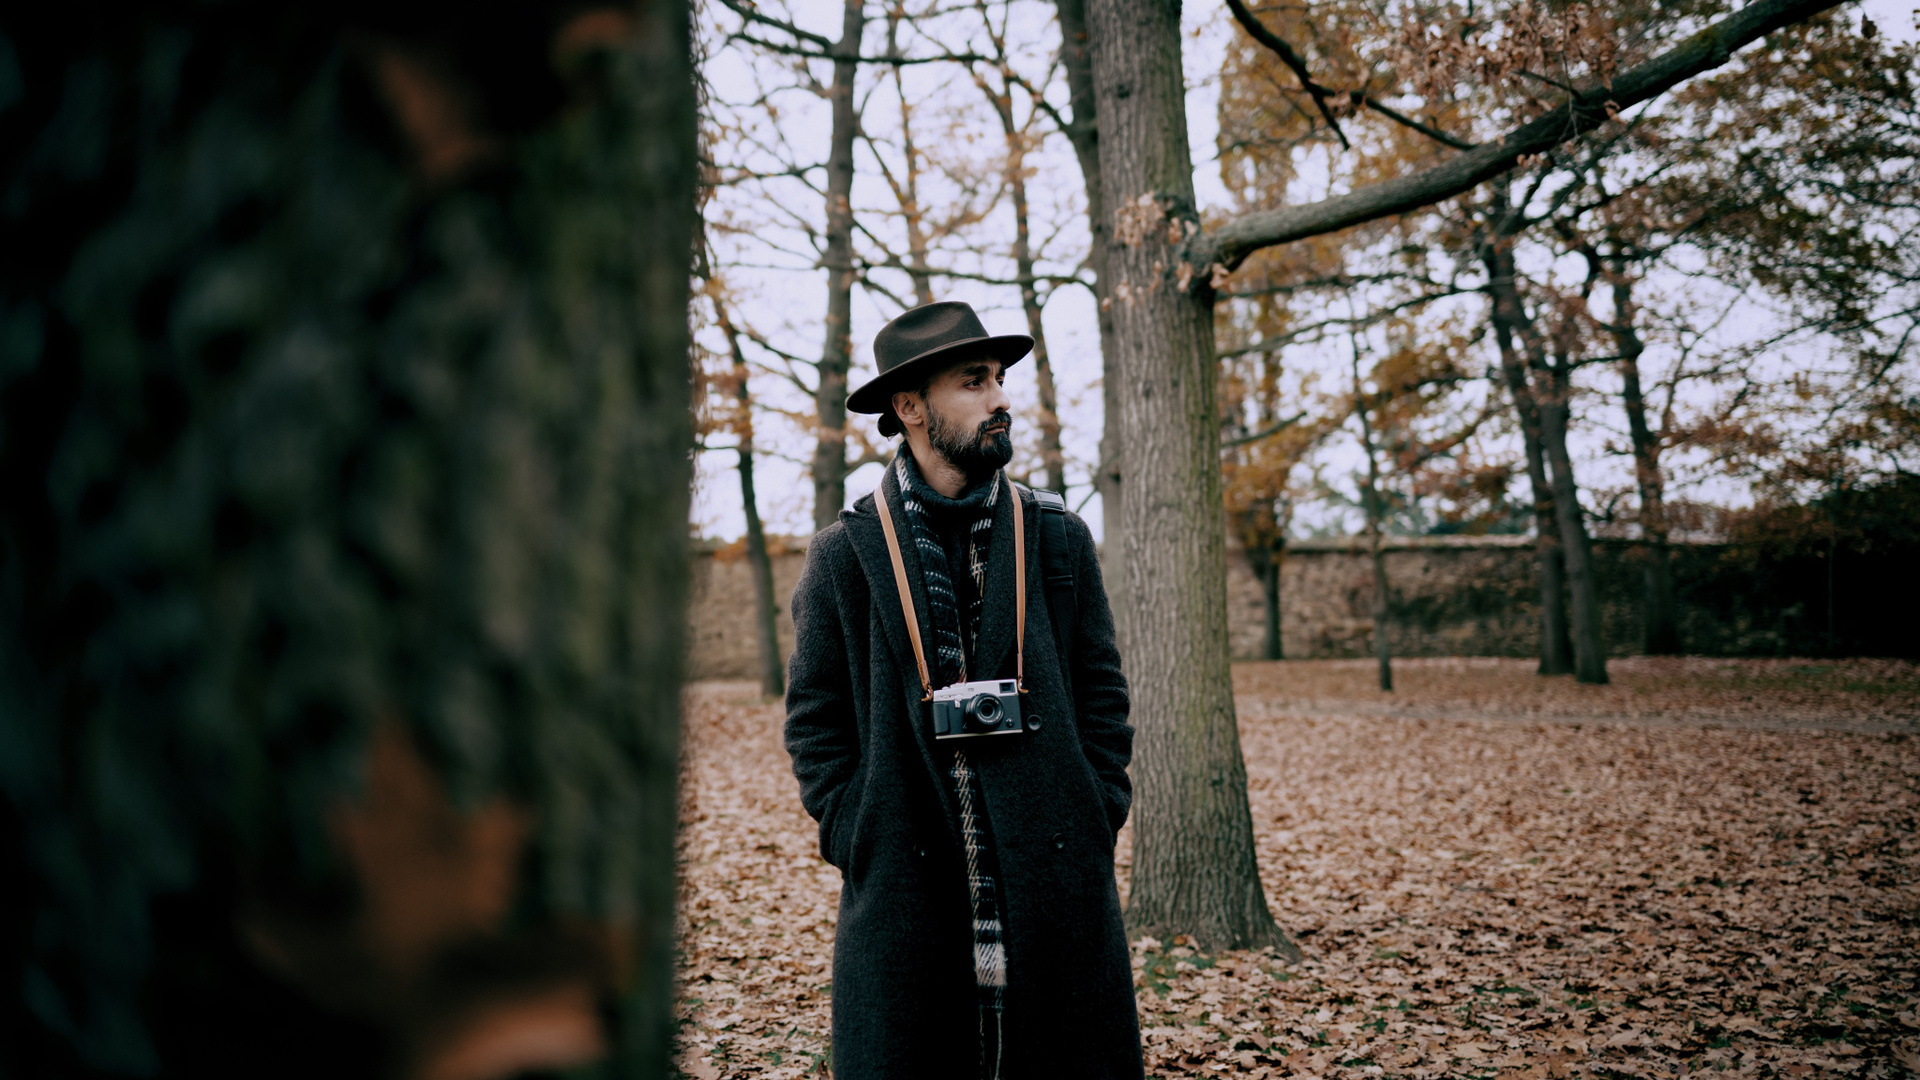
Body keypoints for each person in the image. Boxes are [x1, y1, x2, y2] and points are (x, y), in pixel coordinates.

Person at [784, 301, 1143, 1080]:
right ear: (910, 408)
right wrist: (859, 830)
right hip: (906, 891)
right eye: (974, 382)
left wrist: (1095, 807)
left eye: (1000, 379)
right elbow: (814, 722)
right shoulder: (844, 557)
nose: (1001, 399)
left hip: (1055, 885)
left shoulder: (1057, 538)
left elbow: (1102, 695)